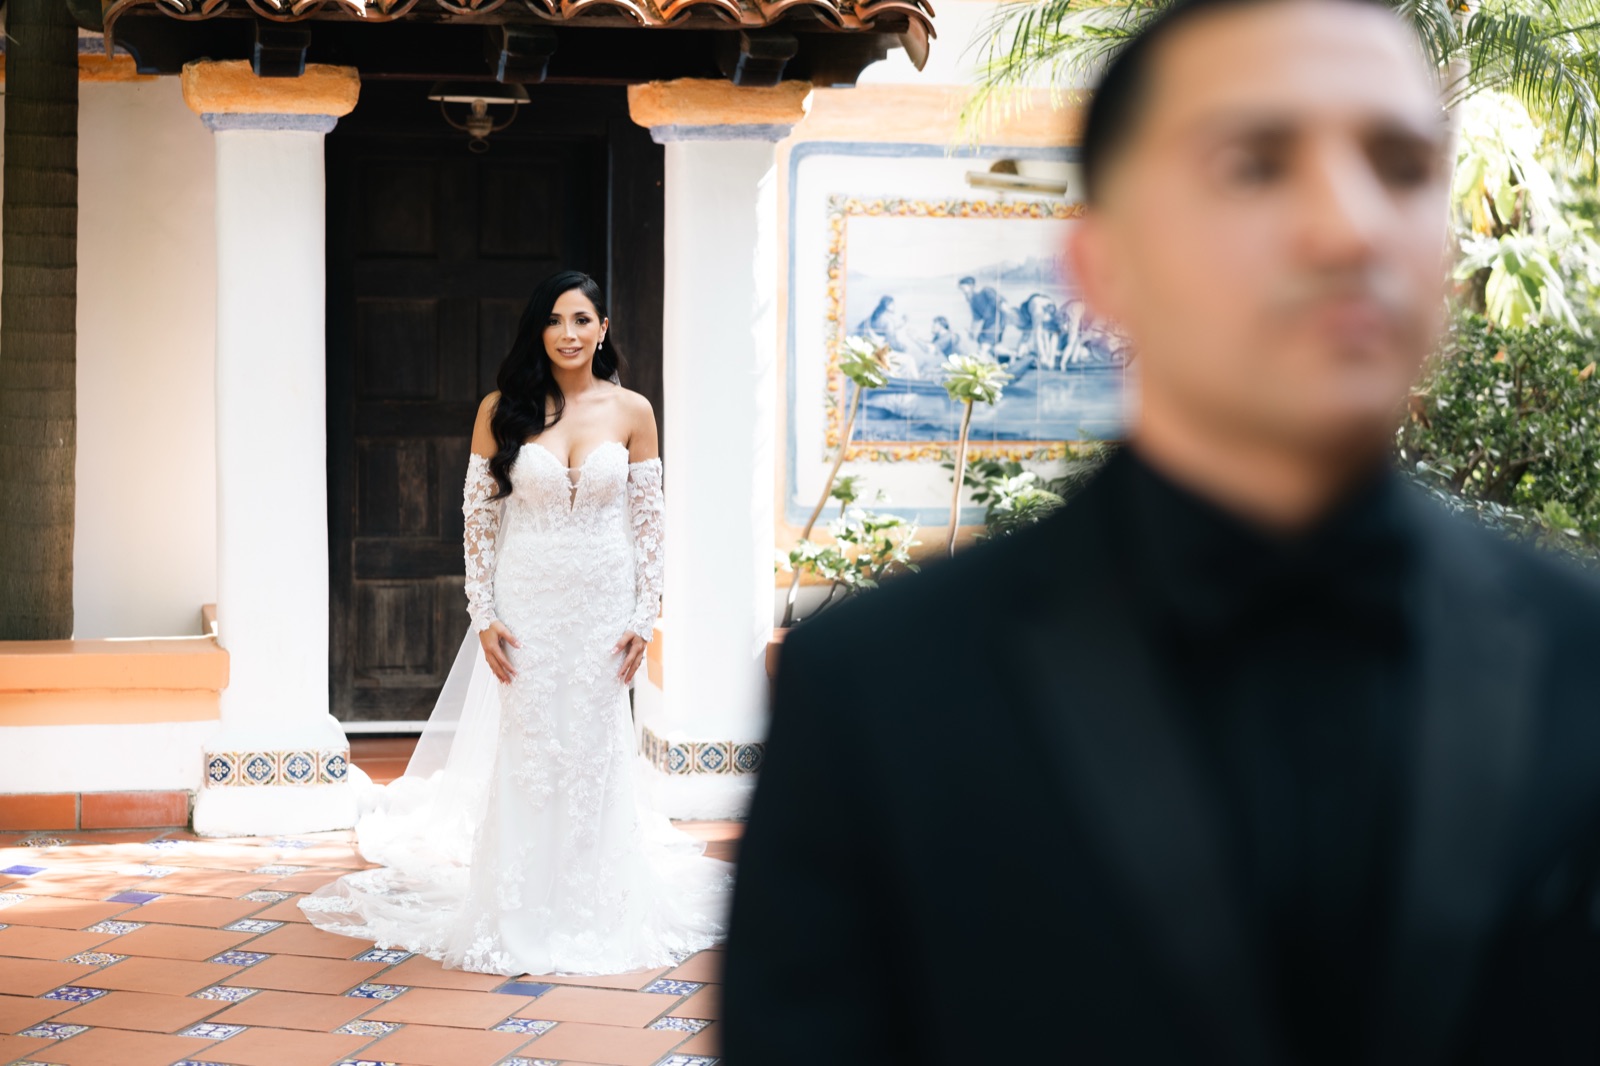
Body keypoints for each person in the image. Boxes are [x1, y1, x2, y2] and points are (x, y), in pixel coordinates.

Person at [724, 1, 1600, 1063]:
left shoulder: (1578, 655)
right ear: (1101, 269)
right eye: (1256, 163)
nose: (1351, 225)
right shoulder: (877, 690)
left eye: (1402, 164)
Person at [302, 270, 733, 976]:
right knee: (532, 747)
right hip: (527, 598)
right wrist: (485, 612)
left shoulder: (632, 411)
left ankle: (595, 904)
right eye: (556, 320)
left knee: (593, 746)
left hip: (602, 601)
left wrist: (643, 614)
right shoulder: (502, 409)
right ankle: (520, 908)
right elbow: (478, 516)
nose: (569, 333)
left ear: (602, 329)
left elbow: (650, 522)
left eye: (582, 320)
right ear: (539, 330)